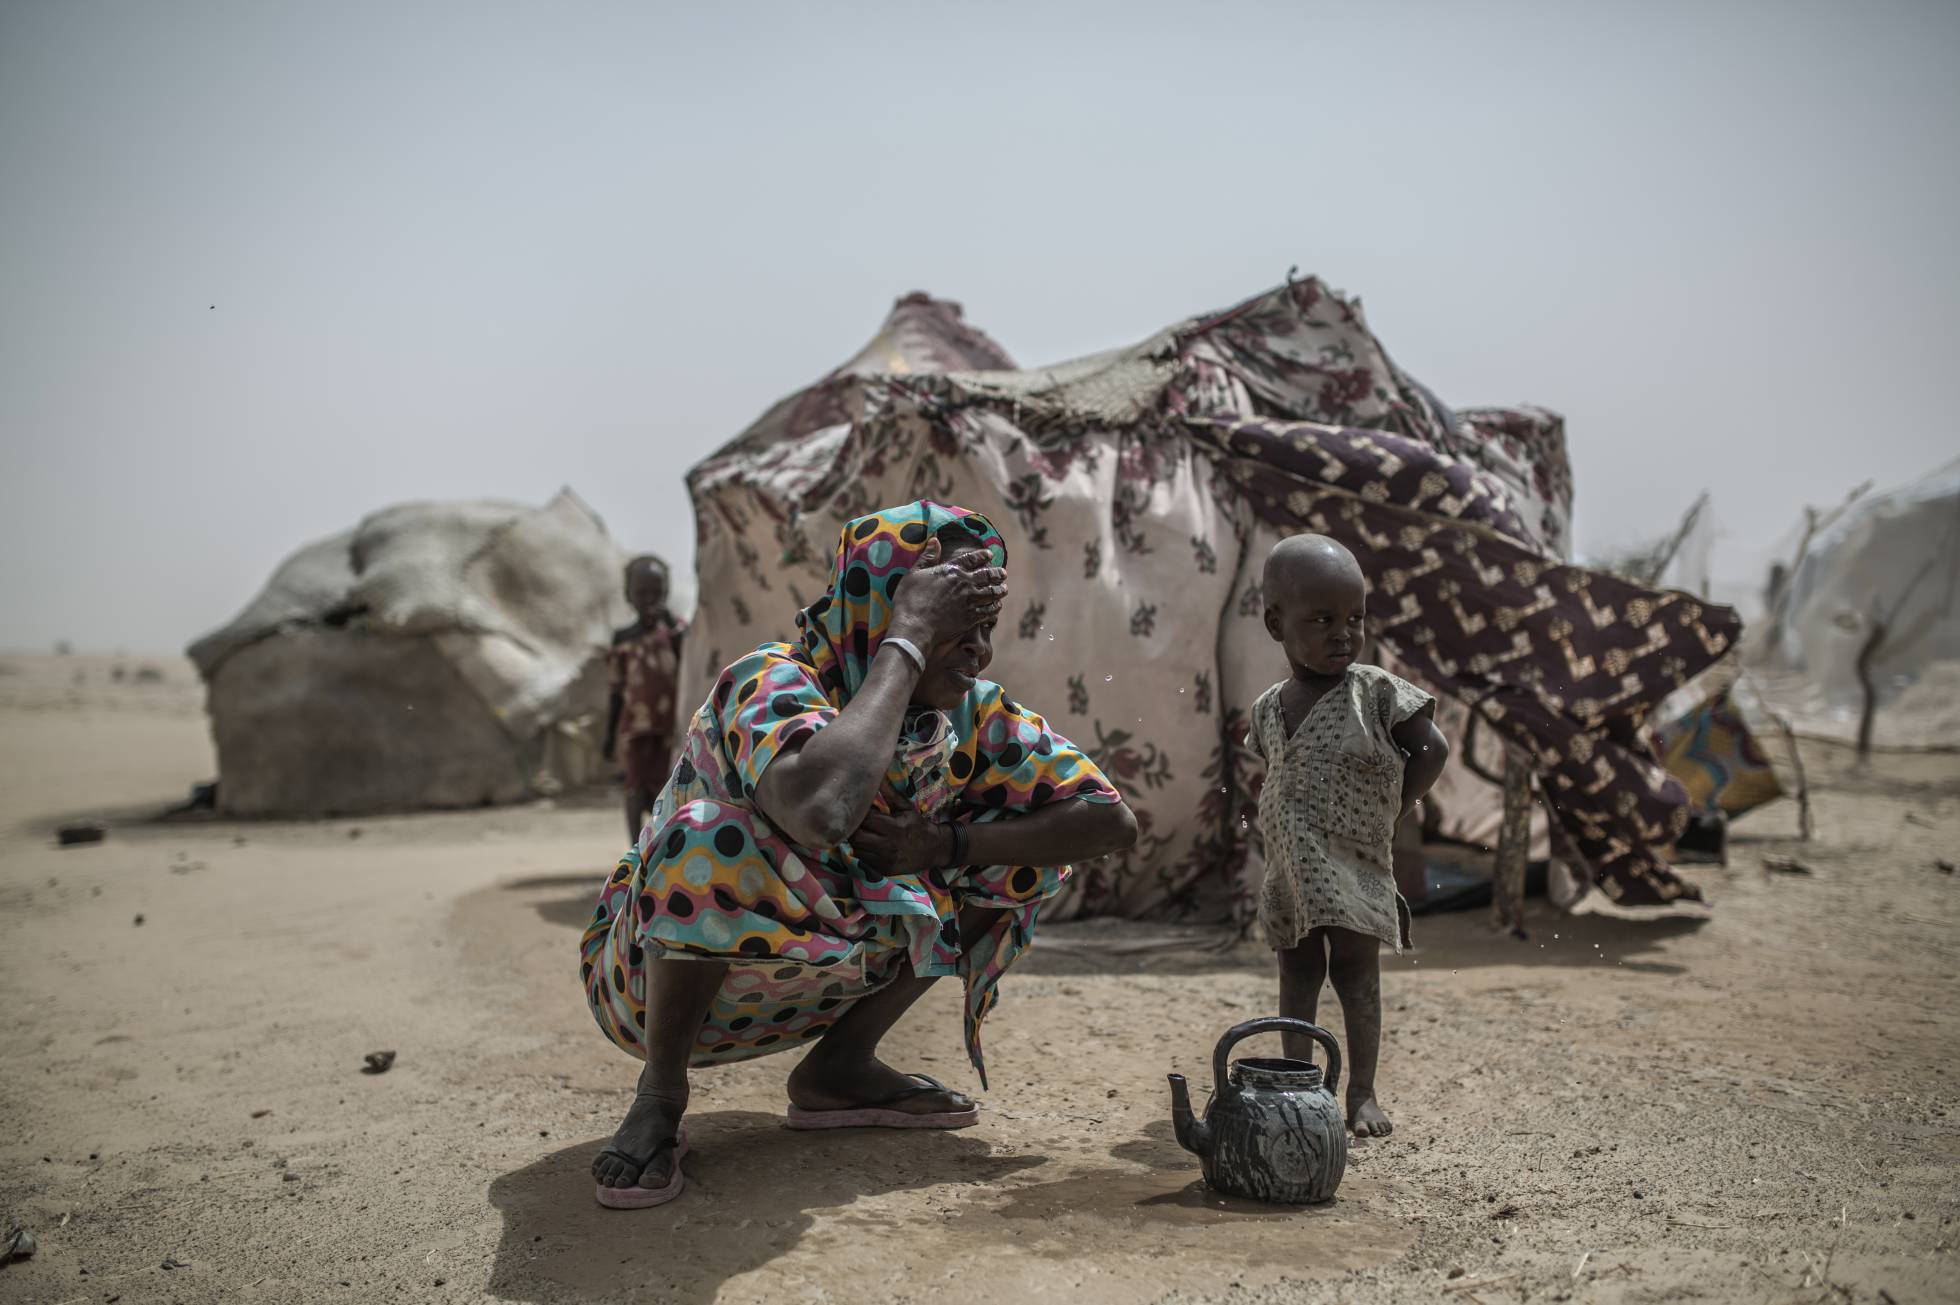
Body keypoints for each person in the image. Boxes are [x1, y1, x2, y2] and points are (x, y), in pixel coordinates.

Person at [580, 501, 1138, 1208]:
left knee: (1020, 849)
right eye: (954, 624)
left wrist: (947, 843)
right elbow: (822, 810)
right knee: (702, 834)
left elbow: (1110, 820)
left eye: (984, 627)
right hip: (646, 982)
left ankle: (836, 1069)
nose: (979, 650)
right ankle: (659, 1095)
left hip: (808, 976)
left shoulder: (970, 717)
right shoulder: (772, 679)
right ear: (879, 608)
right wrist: (908, 636)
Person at [1246, 534, 1448, 1138]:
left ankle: (1361, 1093)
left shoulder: (1375, 693)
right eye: (1323, 619)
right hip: (1291, 871)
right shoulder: (1267, 707)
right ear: (1276, 623)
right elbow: (1277, 770)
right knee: (1298, 975)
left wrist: (1397, 807)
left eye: (1355, 618)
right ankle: (1296, 1088)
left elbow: (1431, 750)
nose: (1344, 633)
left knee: (1356, 974)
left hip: (1356, 863)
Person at [603, 556, 685, 841]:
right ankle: (635, 852)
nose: (649, 599)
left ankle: (664, 848)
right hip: (635, 728)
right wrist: (609, 736)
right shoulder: (623, 637)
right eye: (642, 592)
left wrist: (672, 628)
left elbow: (689, 667)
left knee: (670, 787)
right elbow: (616, 690)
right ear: (628, 594)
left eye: (656, 592)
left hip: (671, 728)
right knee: (635, 788)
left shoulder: (677, 632)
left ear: (666, 592)